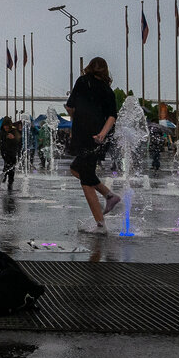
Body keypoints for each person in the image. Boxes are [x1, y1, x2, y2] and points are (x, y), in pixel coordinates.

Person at [65, 57, 121, 233]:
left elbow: (70, 106)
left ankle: (100, 224)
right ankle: (109, 195)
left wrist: (75, 116)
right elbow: (112, 116)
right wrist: (103, 134)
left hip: (84, 135)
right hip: (98, 136)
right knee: (76, 170)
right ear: (105, 71)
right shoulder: (108, 91)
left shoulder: (82, 81)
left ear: (89, 68)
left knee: (86, 179)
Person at [0, 116, 21, 191]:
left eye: (7, 126)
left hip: (12, 151)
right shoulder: (2, 132)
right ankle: (4, 176)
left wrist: (13, 138)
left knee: (12, 167)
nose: (6, 128)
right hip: (4, 151)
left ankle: (10, 181)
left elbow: (18, 140)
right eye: (4, 126)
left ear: (9, 126)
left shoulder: (14, 131)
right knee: (7, 163)